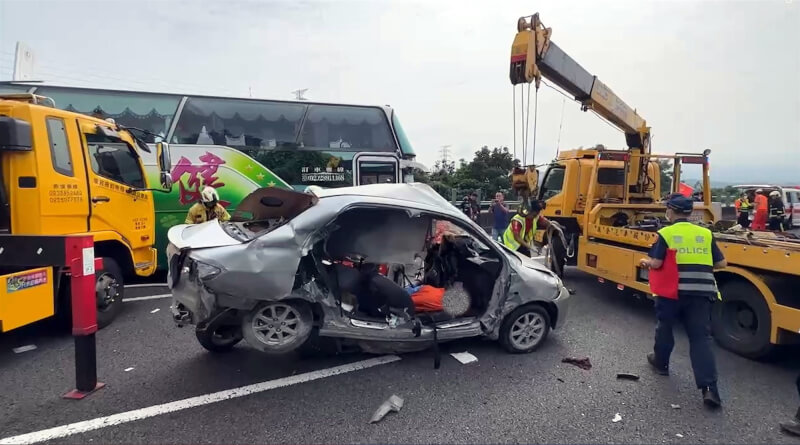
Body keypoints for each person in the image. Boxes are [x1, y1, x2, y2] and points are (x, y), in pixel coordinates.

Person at [639, 194, 727, 409]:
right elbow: (722, 263)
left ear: (670, 211)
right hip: (702, 293)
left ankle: (661, 363)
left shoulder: (667, 233)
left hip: (672, 291)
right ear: (689, 212)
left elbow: (658, 263)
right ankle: (710, 390)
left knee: (665, 326)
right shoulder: (705, 233)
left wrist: (646, 262)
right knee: (700, 339)